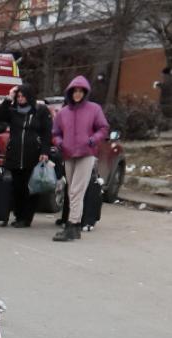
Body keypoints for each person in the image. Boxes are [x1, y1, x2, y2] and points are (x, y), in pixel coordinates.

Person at [52, 75, 110, 242]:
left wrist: (92, 140)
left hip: (86, 154)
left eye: (81, 91)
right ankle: (76, 227)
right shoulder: (63, 113)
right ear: (70, 93)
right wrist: (60, 143)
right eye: (75, 91)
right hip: (68, 154)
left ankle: (71, 225)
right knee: (72, 191)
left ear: (85, 92)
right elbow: (55, 133)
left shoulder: (94, 109)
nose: (77, 94)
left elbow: (103, 127)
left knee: (77, 190)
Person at [0, 84, 52, 228]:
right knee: (17, 187)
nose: (21, 99)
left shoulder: (40, 111)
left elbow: (47, 132)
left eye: (23, 96)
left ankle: (27, 217)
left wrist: (44, 151)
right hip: (15, 154)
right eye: (18, 96)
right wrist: (9, 98)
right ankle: (18, 215)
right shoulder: (13, 111)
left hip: (33, 154)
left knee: (31, 187)